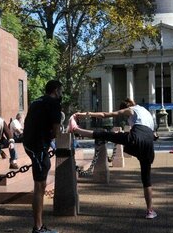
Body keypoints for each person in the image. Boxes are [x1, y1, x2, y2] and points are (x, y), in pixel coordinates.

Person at [71, 98, 158, 219]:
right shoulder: (147, 112)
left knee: (106, 135)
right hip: (148, 145)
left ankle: (76, 129)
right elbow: (154, 135)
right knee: (146, 179)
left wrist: (85, 114)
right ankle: (150, 211)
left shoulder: (131, 110)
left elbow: (105, 115)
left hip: (135, 139)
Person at [23, 80, 63, 233]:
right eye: (60, 90)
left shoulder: (36, 102)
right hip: (38, 146)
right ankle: (38, 228)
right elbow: (56, 130)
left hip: (30, 144)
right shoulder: (53, 103)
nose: (61, 94)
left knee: (40, 185)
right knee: (39, 187)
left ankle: (39, 226)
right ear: (55, 90)